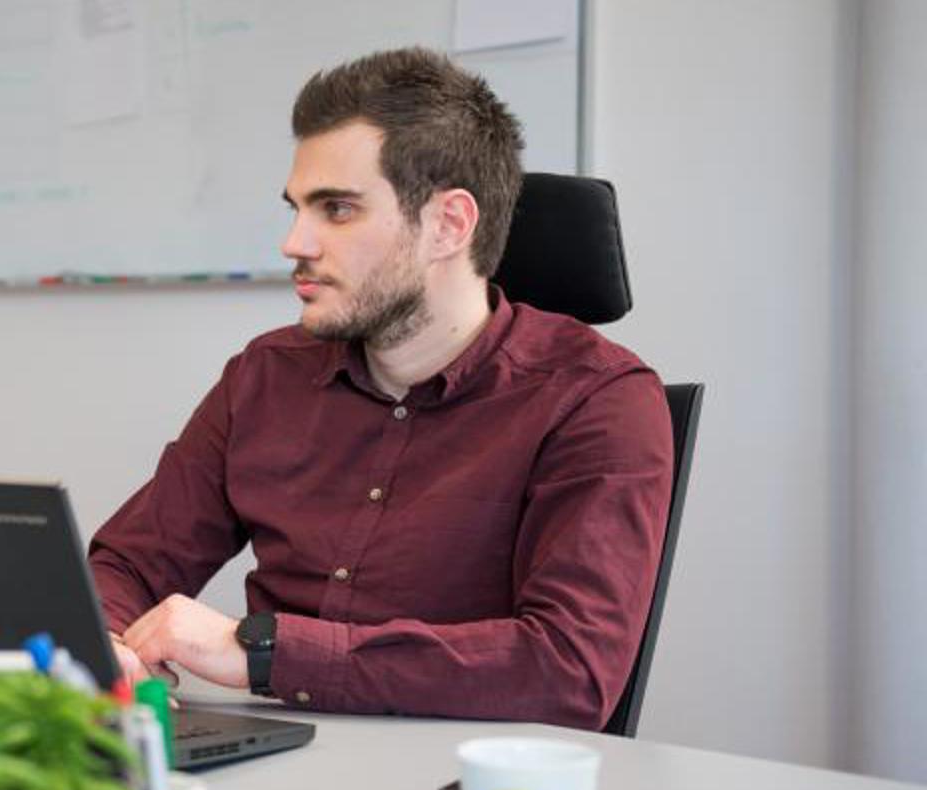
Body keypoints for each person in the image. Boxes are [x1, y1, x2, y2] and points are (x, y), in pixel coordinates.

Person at [87, 47, 673, 730]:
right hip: (279, 760)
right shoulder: (265, 376)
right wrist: (107, 642)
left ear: (450, 225)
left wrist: (263, 654)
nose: (294, 242)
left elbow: (570, 670)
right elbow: (129, 562)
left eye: (336, 209)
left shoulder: (598, 399)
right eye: (296, 208)